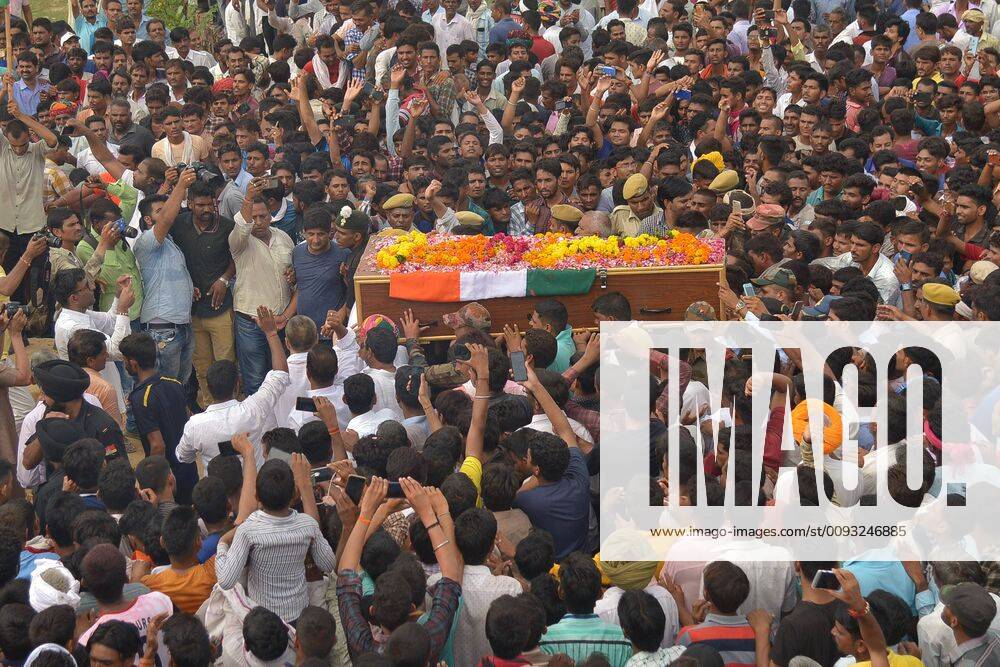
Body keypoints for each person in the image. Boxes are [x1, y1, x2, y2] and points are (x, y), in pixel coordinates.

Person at [175, 306, 290, 468]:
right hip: (254, 489)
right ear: (238, 385)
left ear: (208, 387)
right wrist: (271, 334)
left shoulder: (195, 425)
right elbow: (280, 375)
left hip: (219, 491)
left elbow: (183, 456)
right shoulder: (253, 409)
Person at [119, 332, 198, 504]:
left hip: (167, 479)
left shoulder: (141, 398)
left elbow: (157, 445)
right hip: (189, 469)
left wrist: (153, 481)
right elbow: (188, 418)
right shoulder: (175, 383)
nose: (125, 365)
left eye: (125, 361)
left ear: (133, 363)